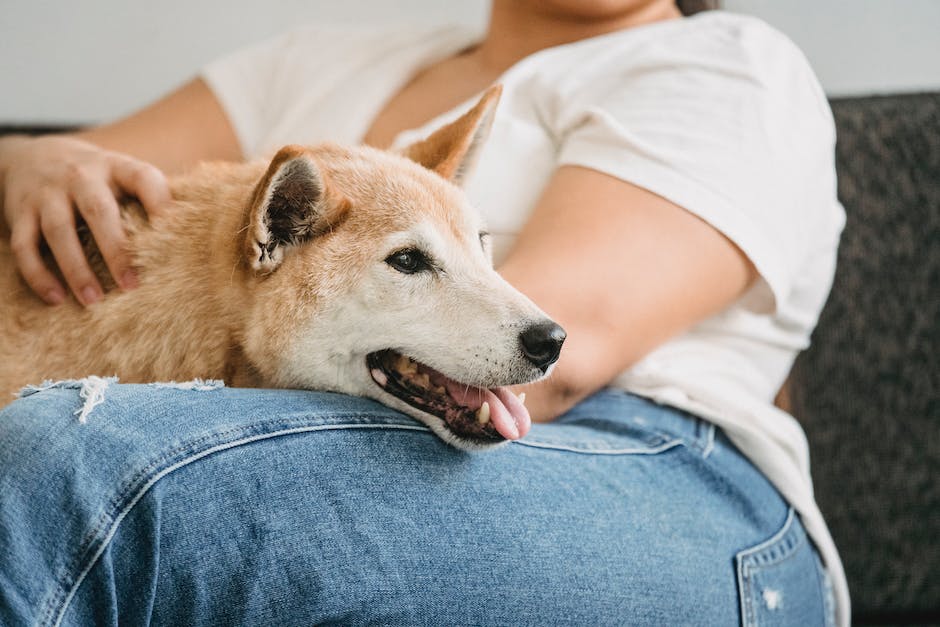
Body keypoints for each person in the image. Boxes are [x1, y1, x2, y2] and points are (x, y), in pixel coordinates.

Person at [0, 0, 849, 625]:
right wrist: (27, 159)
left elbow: (552, 356)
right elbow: (93, 191)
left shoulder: (724, 63)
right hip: (334, 432)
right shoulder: (313, 60)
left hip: (658, 474)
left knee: (72, 456)